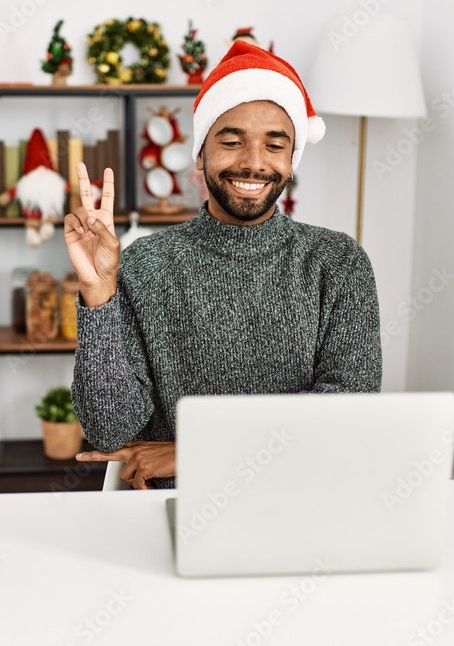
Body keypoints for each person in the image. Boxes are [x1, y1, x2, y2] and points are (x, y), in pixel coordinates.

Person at [64, 41, 382, 489]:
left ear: (291, 160)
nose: (253, 163)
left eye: (275, 145)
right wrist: (98, 294)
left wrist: (192, 451)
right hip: (173, 508)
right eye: (231, 141)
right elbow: (110, 431)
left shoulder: (338, 263)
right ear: (200, 154)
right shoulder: (145, 264)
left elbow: (346, 413)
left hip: (300, 495)